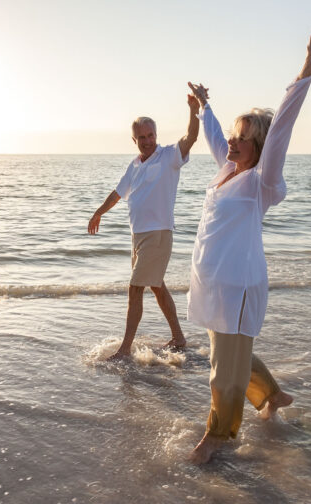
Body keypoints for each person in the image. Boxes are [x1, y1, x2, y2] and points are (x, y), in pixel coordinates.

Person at [186, 9, 311, 464]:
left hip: (239, 285)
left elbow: (282, 127)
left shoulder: (260, 181)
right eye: (233, 136)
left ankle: (217, 437)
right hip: (214, 284)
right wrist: (205, 106)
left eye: (243, 138)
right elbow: (212, 136)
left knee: (224, 371)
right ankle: (273, 396)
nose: (232, 142)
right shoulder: (226, 172)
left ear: (260, 145)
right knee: (227, 355)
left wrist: (309, 65)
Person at [87, 94, 200, 360]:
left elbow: (190, 138)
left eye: (151, 135)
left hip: (158, 234)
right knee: (157, 286)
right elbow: (117, 193)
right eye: (142, 137)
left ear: (156, 135)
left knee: (135, 287)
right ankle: (179, 338)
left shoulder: (169, 156)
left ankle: (125, 348)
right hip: (138, 236)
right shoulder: (135, 164)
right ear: (134, 140)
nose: (147, 141)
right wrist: (98, 213)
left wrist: (193, 111)